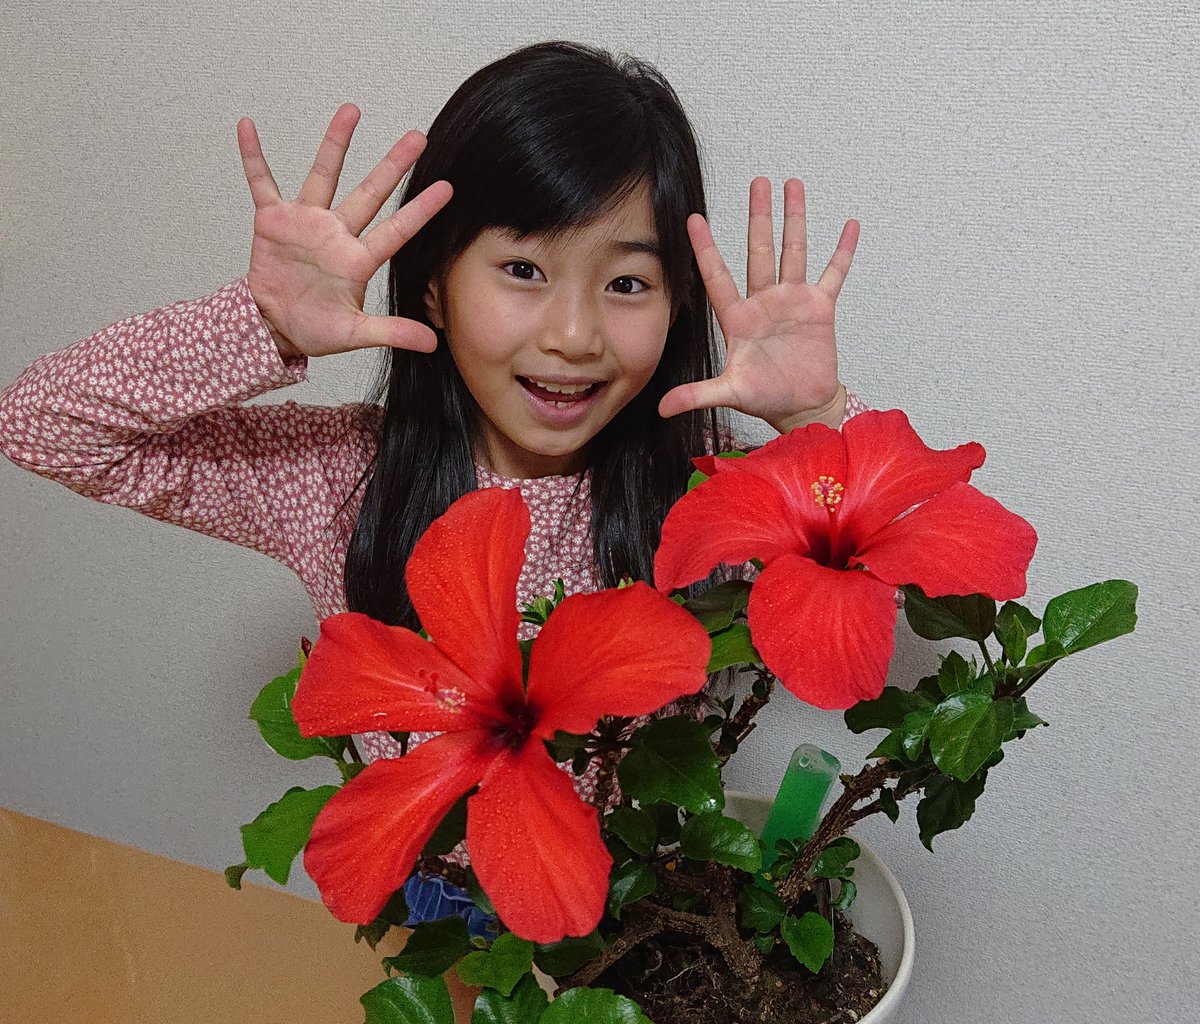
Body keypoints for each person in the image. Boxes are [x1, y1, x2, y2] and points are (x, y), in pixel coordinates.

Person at [0, 38, 867, 985]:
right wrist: (260, 324)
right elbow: (42, 425)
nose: (573, 335)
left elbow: (876, 599)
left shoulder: (715, 491)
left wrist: (815, 419)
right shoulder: (339, 477)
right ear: (432, 289)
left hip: (650, 895)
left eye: (627, 283)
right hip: (446, 891)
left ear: (677, 308)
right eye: (523, 269)